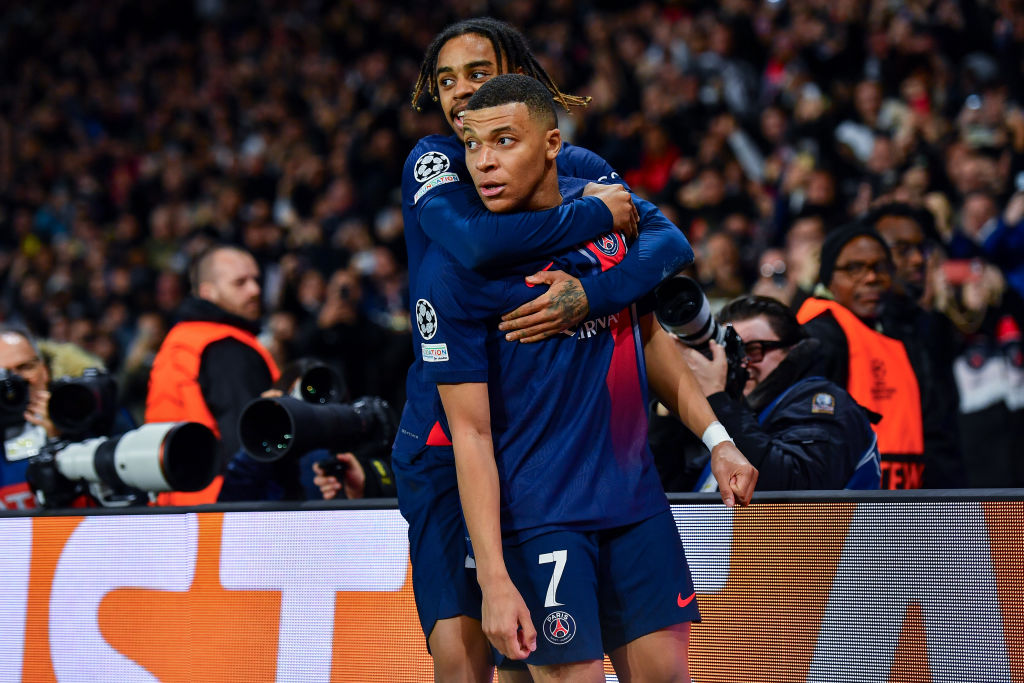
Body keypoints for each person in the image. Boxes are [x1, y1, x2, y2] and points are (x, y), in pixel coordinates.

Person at [421, 74, 756, 681]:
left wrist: (718, 440)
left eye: (504, 141)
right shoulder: (455, 271)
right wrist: (494, 579)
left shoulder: (608, 215)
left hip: (637, 506)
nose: (485, 162)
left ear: (552, 144)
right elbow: (469, 435)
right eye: (472, 145)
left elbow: (649, 339)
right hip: (539, 518)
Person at [393, 18, 687, 682]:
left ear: (516, 72)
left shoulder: (574, 163)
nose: (462, 91)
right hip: (450, 437)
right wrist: (594, 214)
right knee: (464, 658)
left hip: (542, 442)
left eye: (478, 72)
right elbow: (477, 245)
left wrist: (593, 295)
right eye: (445, 80)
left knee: (542, 659)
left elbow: (666, 244)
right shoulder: (436, 162)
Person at [683, 295, 881, 490]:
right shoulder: (748, 413)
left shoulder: (823, 403)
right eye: (731, 351)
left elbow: (796, 494)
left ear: (793, 349)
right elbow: (673, 489)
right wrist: (674, 400)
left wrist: (718, 398)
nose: (742, 363)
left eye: (752, 349)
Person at [145, 245, 280, 505]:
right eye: (240, 283)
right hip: (228, 507)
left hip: (177, 504)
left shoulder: (180, 340)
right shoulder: (227, 348)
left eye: (256, 280)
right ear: (208, 292)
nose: (255, 290)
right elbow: (249, 445)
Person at [796, 223, 925, 489]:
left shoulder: (897, 332)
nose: (871, 277)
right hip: (843, 509)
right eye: (854, 268)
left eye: (880, 267)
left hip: (902, 503)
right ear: (829, 277)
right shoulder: (819, 335)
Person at [869, 202, 966, 488]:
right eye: (902, 249)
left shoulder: (935, 325)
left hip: (948, 488)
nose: (917, 260)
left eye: (921, 248)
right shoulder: (852, 329)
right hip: (881, 495)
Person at [217, 359, 397, 502]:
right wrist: (260, 430)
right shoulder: (268, 454)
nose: (307, 409)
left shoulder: (353, 447)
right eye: (295, 399)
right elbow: (231, 503)